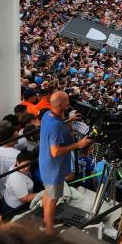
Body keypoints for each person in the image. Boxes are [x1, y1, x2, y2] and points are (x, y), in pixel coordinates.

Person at [39, 91, 92, 235]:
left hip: (46, 165)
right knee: (52, 200)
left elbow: (55, 125)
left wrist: (69, 120)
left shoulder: (47, 115)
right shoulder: (55, 126)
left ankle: (46, 221)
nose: (69, 104)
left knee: (47, 194)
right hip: (54, 169)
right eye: (67, 102)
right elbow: (55, 151)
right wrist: (78, 144)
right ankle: (49, 231)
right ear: (61, 105)